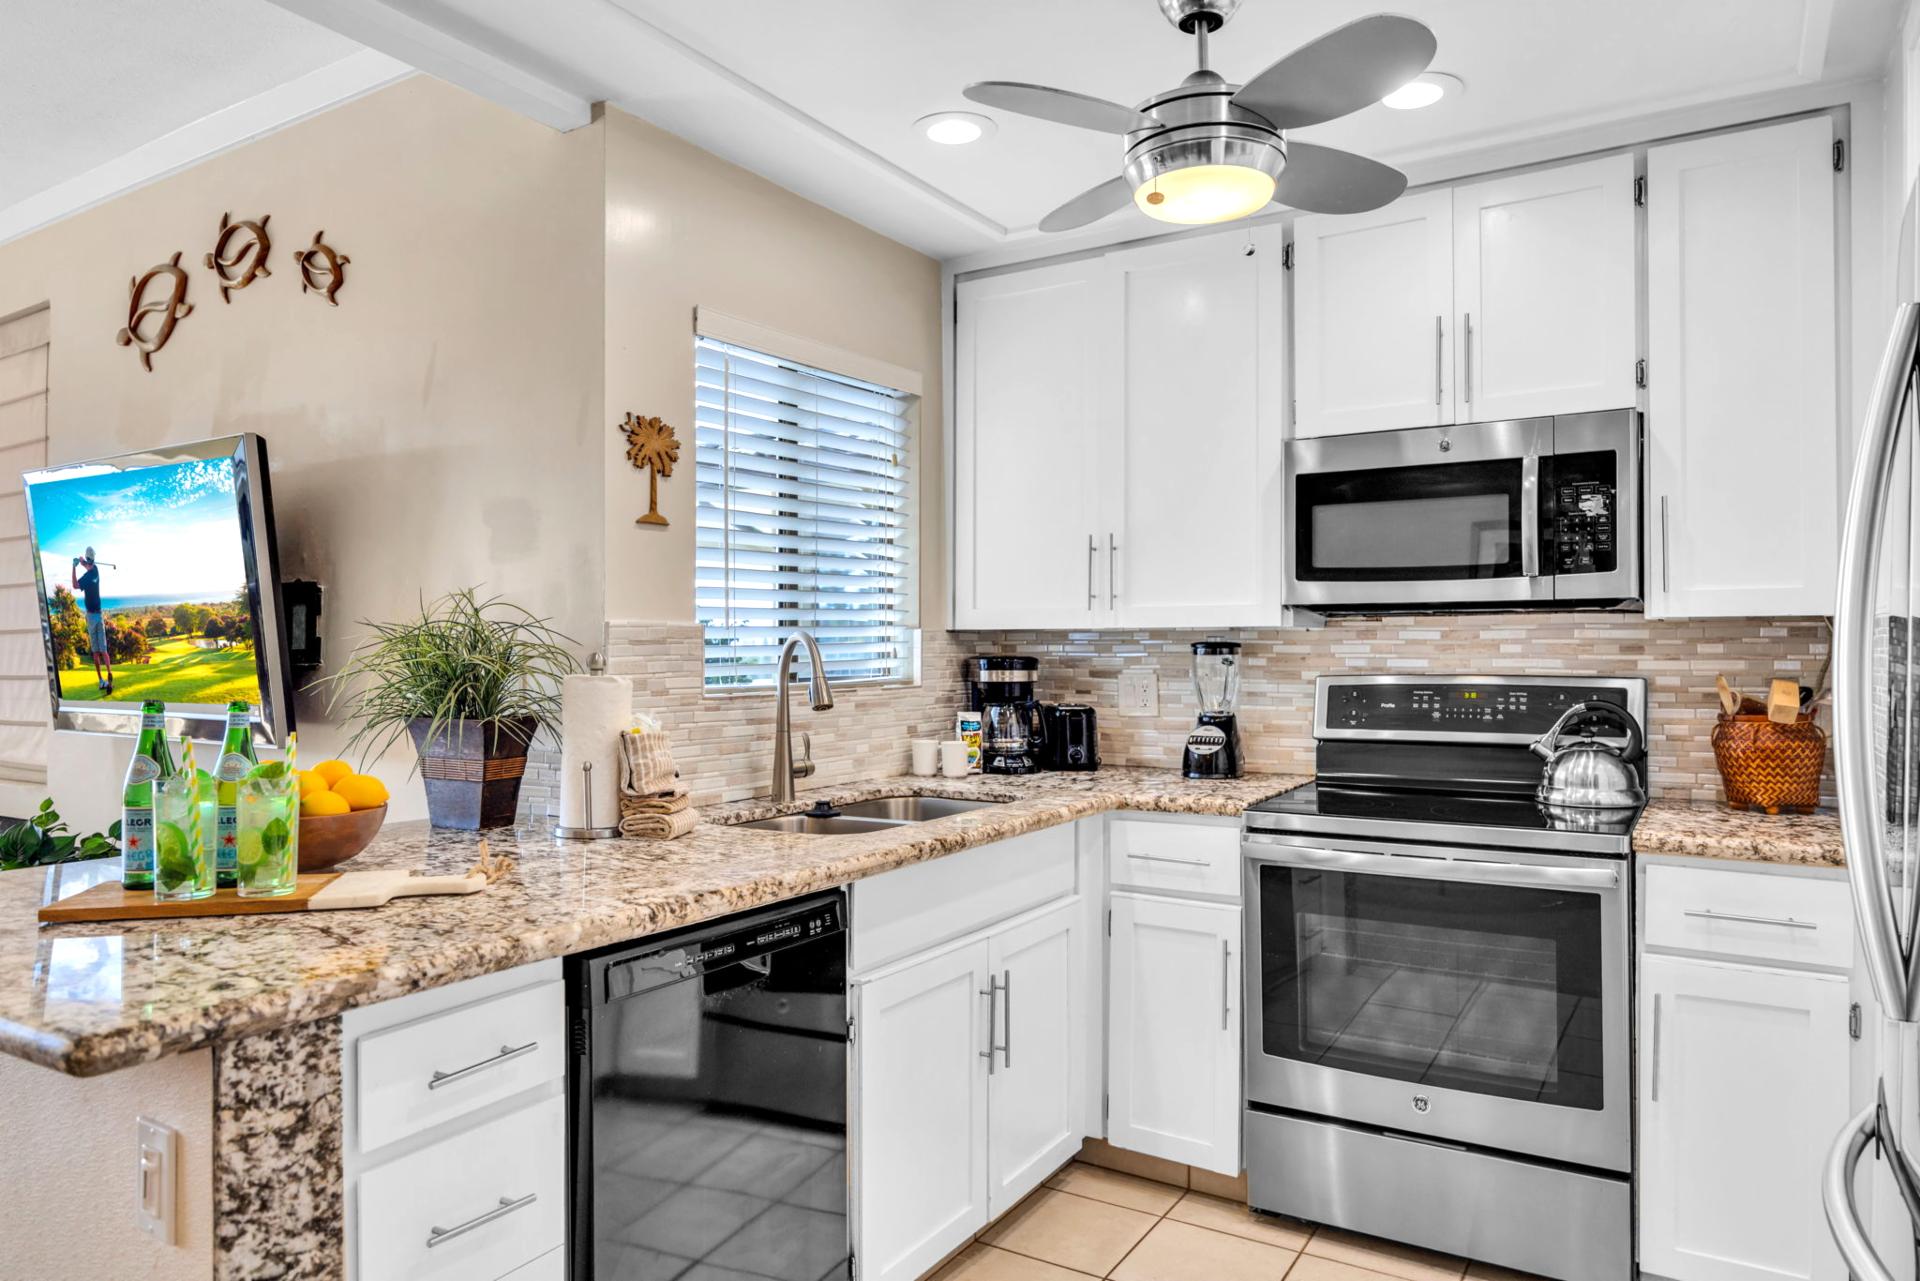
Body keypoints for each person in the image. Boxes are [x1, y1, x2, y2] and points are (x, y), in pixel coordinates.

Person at [72, 548, 110, 694]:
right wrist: (80, 563)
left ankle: (106, 677)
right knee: (98, 651)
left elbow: (75, 585)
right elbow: (78, 582)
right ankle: (102, 679)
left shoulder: (91, 573)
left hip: (94, 616)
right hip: (97, 616)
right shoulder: (94, 571)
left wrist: (74, 566)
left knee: (99, 651)